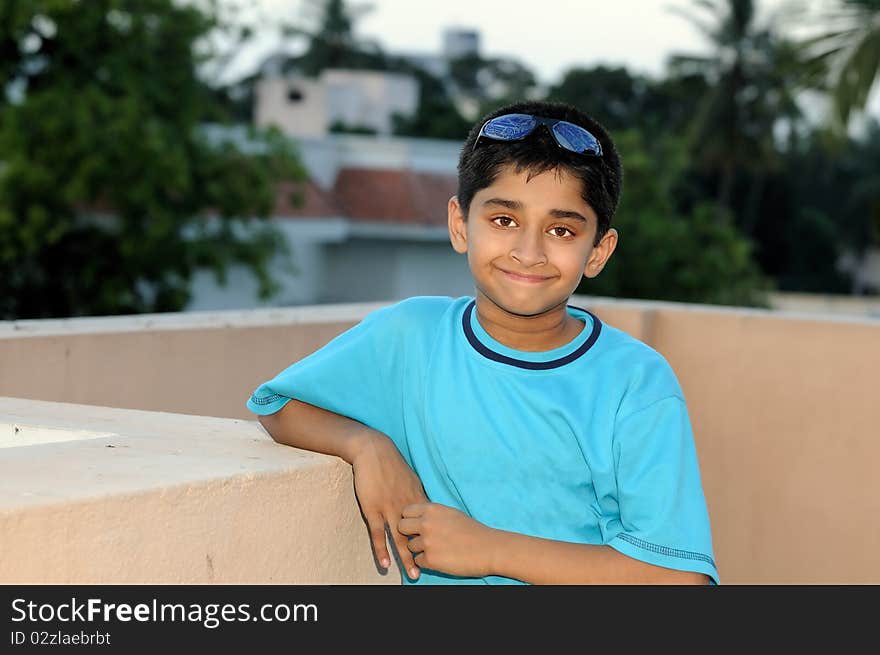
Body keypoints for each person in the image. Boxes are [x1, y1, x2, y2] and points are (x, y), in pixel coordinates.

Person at [247, 100, 719, 585]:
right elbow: (280, 406)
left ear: (598, 251)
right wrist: (366, 445)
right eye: (504, 221)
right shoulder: (411, 335)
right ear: (459, 224)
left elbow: (680, 579)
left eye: (561, 230)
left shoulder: (634, 381)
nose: (528, 251)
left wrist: (490, 550)